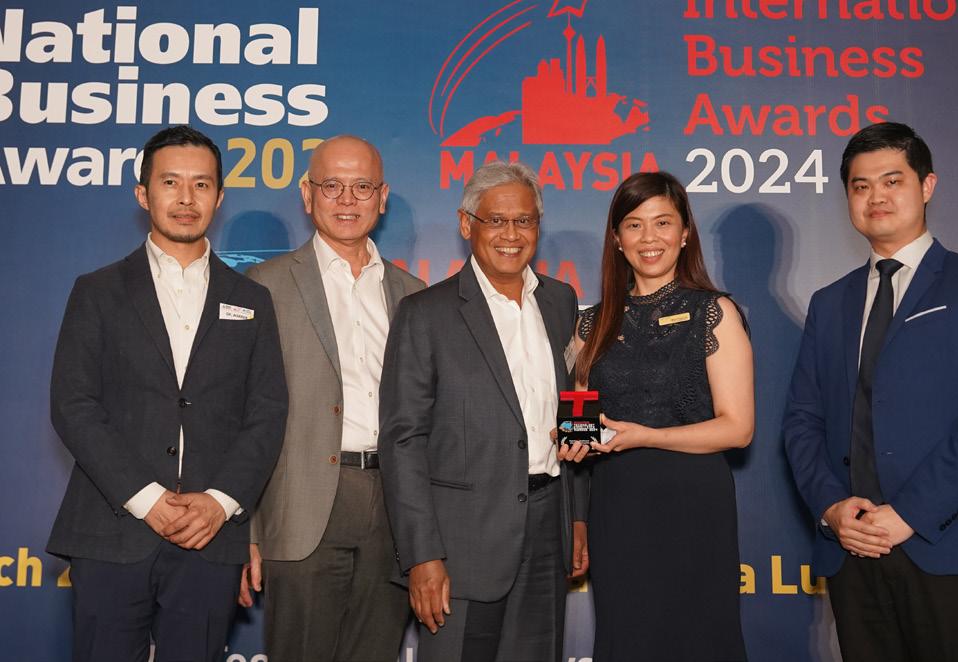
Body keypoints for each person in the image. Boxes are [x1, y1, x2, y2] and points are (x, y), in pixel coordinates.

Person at [783, 122, 958, 662]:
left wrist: (908, 514)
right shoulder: (830, 303)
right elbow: (803, 420)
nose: (876, 196)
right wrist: (832, 508)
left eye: (892, 180)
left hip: (951, 547)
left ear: (927, 185)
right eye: (861, 185)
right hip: (854, 552)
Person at [47, 125, 288, 662]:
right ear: (143, 194)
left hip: (210, 538)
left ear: (219, 198)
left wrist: (220, 502)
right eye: (170, 182)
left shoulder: (253, 300)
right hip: (112, 530)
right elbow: (73, 404)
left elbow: (268, 412)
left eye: (201, 185)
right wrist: (146, 498)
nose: (186, 198)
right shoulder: (97, 291)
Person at [378, 160, 588, 662]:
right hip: (460, 545)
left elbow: (576, 400)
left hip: (549, 529)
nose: (511, 234)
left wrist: (577, 516)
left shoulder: (561, 301)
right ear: (466, 224)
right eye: (496, 220)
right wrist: (422, 555)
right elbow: (403, 440)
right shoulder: (426, 313)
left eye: (524, 220)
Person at [238, 135, 422, 661]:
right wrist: (245, 528)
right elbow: (241, 414)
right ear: (307, 193)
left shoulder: (414, 294)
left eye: (361, 187)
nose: (346, 199)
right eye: (331, 185)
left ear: (381, 198)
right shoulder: (263, 285)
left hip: (395, 507)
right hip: (301, 507)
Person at [561, 171, 753, 661]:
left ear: (685, 233)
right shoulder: (589, 323)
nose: (649, 238)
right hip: (618, 507)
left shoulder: (715, 312)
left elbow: (738, 427)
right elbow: (580, 416)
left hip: (693, 504)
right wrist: (571, 438)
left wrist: (648, 436)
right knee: (629, 639)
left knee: (699, 641)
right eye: (634, 225)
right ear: (616, 238)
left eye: (663, 223)